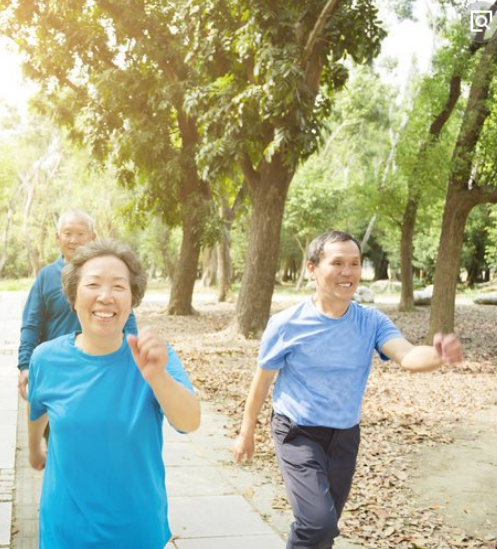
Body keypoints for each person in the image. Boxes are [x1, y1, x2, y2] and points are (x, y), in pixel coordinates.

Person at [232, 230, 463, 549]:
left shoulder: (371, 321)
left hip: (344, 435)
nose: (348, 272)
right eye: (337, 262)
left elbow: (407, 355)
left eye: (354, 263)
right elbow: (262, 380)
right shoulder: (287, 324)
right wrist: (247, 432)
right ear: (312, 268)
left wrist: (438, 355)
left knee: (323, 528)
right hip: (297, 432)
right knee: (317, 524)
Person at [27, 239, 201, 548]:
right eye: (93, 284)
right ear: (73, 295)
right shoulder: (45, 358)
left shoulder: (152, 356)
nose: (105, 296)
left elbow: (189, 421)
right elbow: (37, 408)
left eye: (119, 287)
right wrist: (34, 451)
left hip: (136, 529)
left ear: (133, 299)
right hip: (65, 529)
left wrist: (158, 378)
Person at [17, 209, 137, 400]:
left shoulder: (109, 274)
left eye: (81, 234)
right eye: (68, 233)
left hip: (104, 370)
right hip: (58, 371)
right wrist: (24, 365)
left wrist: (134, 361)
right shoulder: (46, 277)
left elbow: (127, 322)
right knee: (54, 427)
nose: (74, 240)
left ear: (93, 237)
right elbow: (31, 324)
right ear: (58, 237)